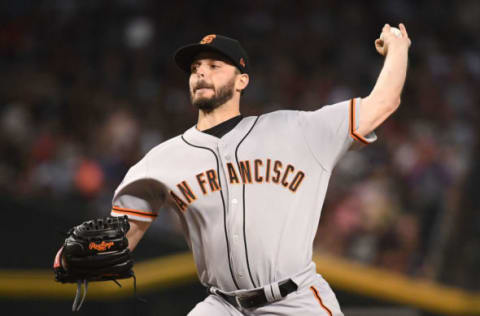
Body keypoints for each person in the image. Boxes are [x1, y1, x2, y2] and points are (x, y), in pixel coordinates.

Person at [110, 24, 411, 315]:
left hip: (295, 301)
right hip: (222, 305)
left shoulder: (297, 130)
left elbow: (382, 103)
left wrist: (398, 49)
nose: (201, 72)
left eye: (215, 66)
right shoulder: (162, 159)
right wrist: (83, 257)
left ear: (242, 80)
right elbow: (119, 239)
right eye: (195, 68)